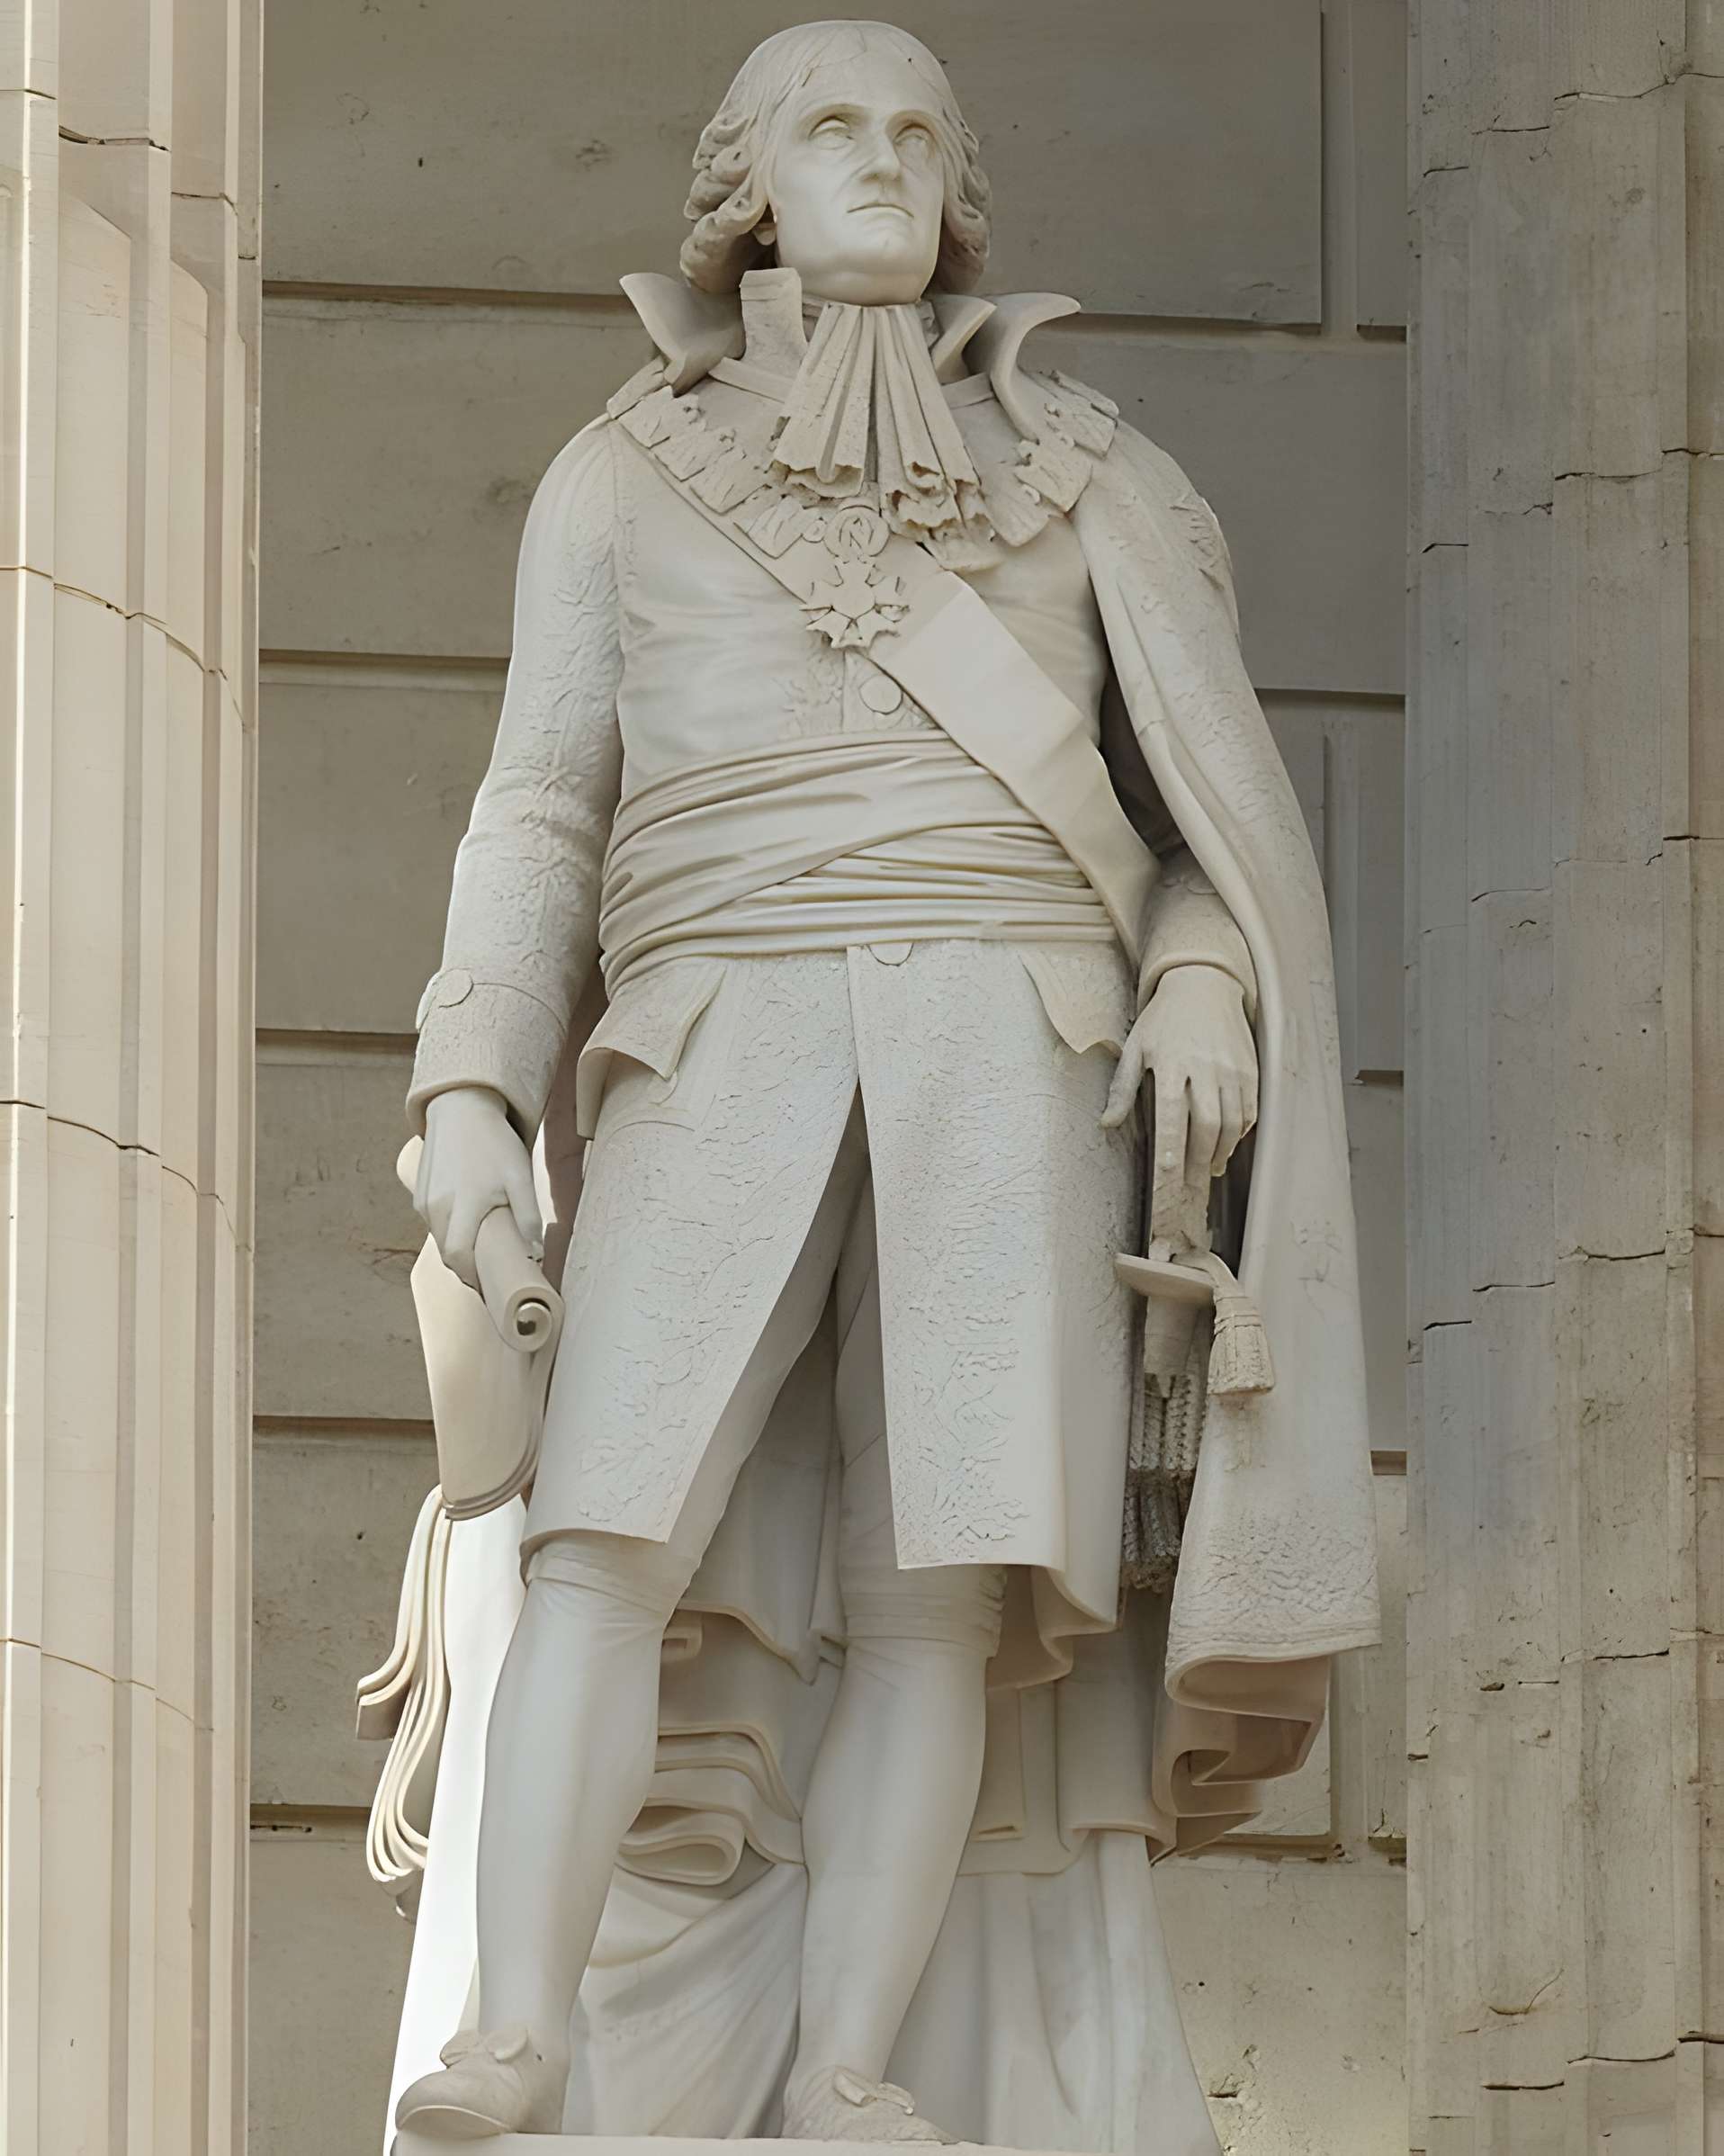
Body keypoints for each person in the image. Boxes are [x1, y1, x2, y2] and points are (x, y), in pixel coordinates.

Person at [392, 20, 1378, 2145]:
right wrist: (470, 1081)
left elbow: (1210, 825)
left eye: (921, 132)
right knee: (599, 1539)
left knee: (940, 1584)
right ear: (746, 180)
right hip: (710, 1026)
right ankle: (522, 2030)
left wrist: (1203, 977)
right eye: (834, 128)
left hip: (1018, 1044)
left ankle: (850, 2058)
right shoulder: (614, 476)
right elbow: (540, 809)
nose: (885, 161)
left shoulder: (1103, 475)